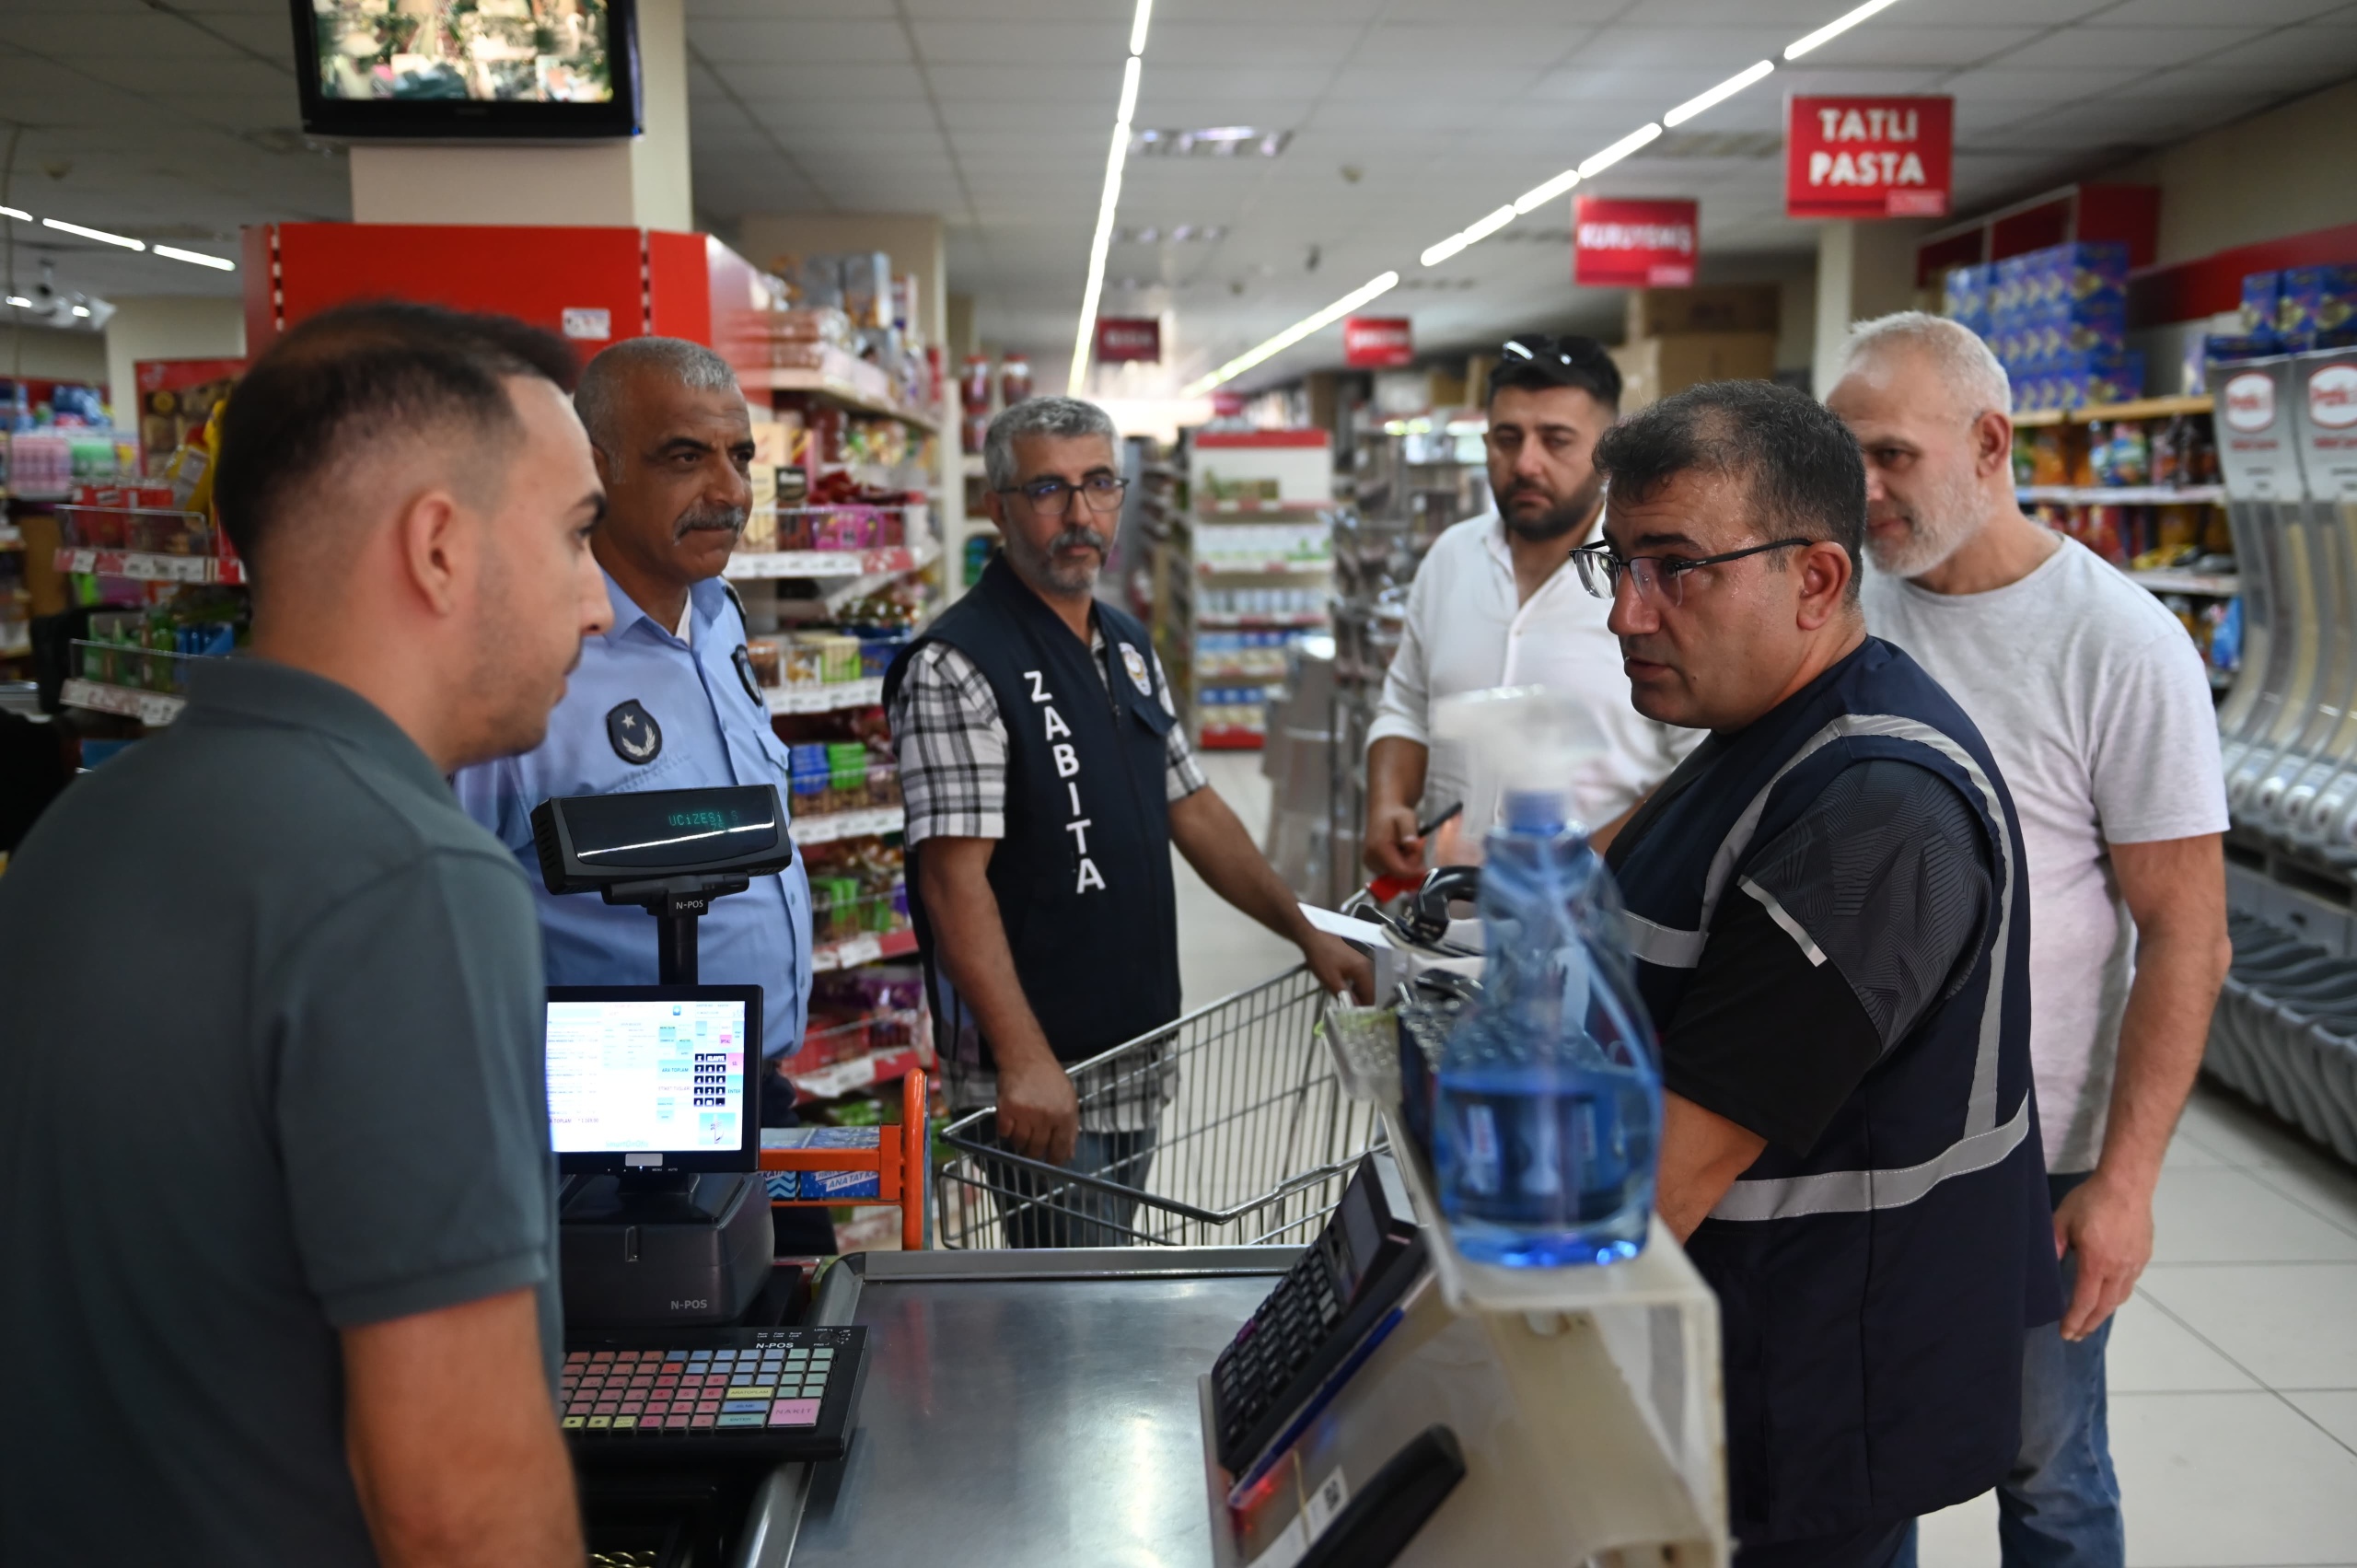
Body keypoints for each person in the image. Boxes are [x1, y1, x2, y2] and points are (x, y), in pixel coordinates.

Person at [0, 303, 609, 1564]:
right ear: (439, 546)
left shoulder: (80, 827)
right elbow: (459, 1498)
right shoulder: (414, 880)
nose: (599, 604)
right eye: (576, 536)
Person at [1581, 381, 2060, 1568]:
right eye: (1617, 565)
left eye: (1674, 567)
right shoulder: (1757, 734)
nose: (1626, 614)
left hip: (1804, 1379)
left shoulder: (1874, 817)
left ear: (1816, 580)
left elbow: (1656, 1185)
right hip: (1740, 1348)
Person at [1828, 314, 2233, 1568]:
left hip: (2031, 1151)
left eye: (1892, 454)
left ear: (1990, 442)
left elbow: (2186, 934)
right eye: (1848, 460)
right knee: (1850, 1461)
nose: (1867, 490)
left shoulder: (2119, 640)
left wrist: (2124, 1185)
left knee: (2047, 1465)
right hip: (1848, 1131)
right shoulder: (1836, 610)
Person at [885, 396, 1372, 1245]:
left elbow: (1194, 804)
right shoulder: (958, 665)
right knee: (1070, 1309)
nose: (1080, 515)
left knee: (1097, 1283)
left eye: (1099, 483)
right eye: (1048, 489)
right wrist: (1023, 1057)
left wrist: (1304, 929)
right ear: (998, 506)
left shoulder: (1128, 643)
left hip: (1134, 1043)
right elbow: (950, 881)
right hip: (1044, 1063)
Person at [453, 335, 831, 1255]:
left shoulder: (718, 614)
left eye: (739, 455)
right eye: (683, 457)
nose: (730, 490)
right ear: (596, 469)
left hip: (757, 1095)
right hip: (605, 1141)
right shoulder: (524, 661)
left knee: (812, 1345)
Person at [1365, 333, 1691, 871]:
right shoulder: (1450, 558)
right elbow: (1403, 707)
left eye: (1556, 440)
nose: (1526, 464)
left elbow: (1697, 767)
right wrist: (1387, 802)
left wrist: (1582, 864)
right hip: (1448, 909)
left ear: (1608, 449)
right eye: (1507, 438)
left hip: (1596, 923)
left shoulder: (1655, 580)